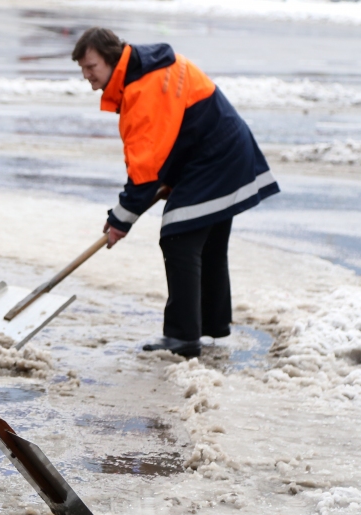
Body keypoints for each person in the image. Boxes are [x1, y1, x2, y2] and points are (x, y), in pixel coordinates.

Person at [72, 27, 278, 358]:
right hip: (219, 153)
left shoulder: (143, 87)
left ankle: (183, 337)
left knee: (178, 236)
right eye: (82, 68)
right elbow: (170, 135)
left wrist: (120, 220)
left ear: (112, 60)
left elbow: (144, 170)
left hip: (216, 158)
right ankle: (209, 325)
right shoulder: (143, 72)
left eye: (91, 67)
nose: (86, 75)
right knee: (205, 240)